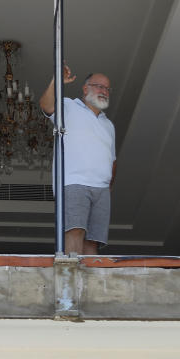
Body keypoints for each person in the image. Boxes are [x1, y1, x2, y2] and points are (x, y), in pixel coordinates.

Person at [40, 65, 116, 255]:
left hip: (101, 189)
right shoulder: (68, 106)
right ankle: (71, 280)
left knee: (93, 241)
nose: (104, 91)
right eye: (99, 86)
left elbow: (112, 160)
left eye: (107, 89)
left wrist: (108, 187)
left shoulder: (108, 124)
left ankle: (91, 284)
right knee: (75, 231)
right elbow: (46, 106)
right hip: (74, 183)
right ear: (85, 89)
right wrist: (56, 81)